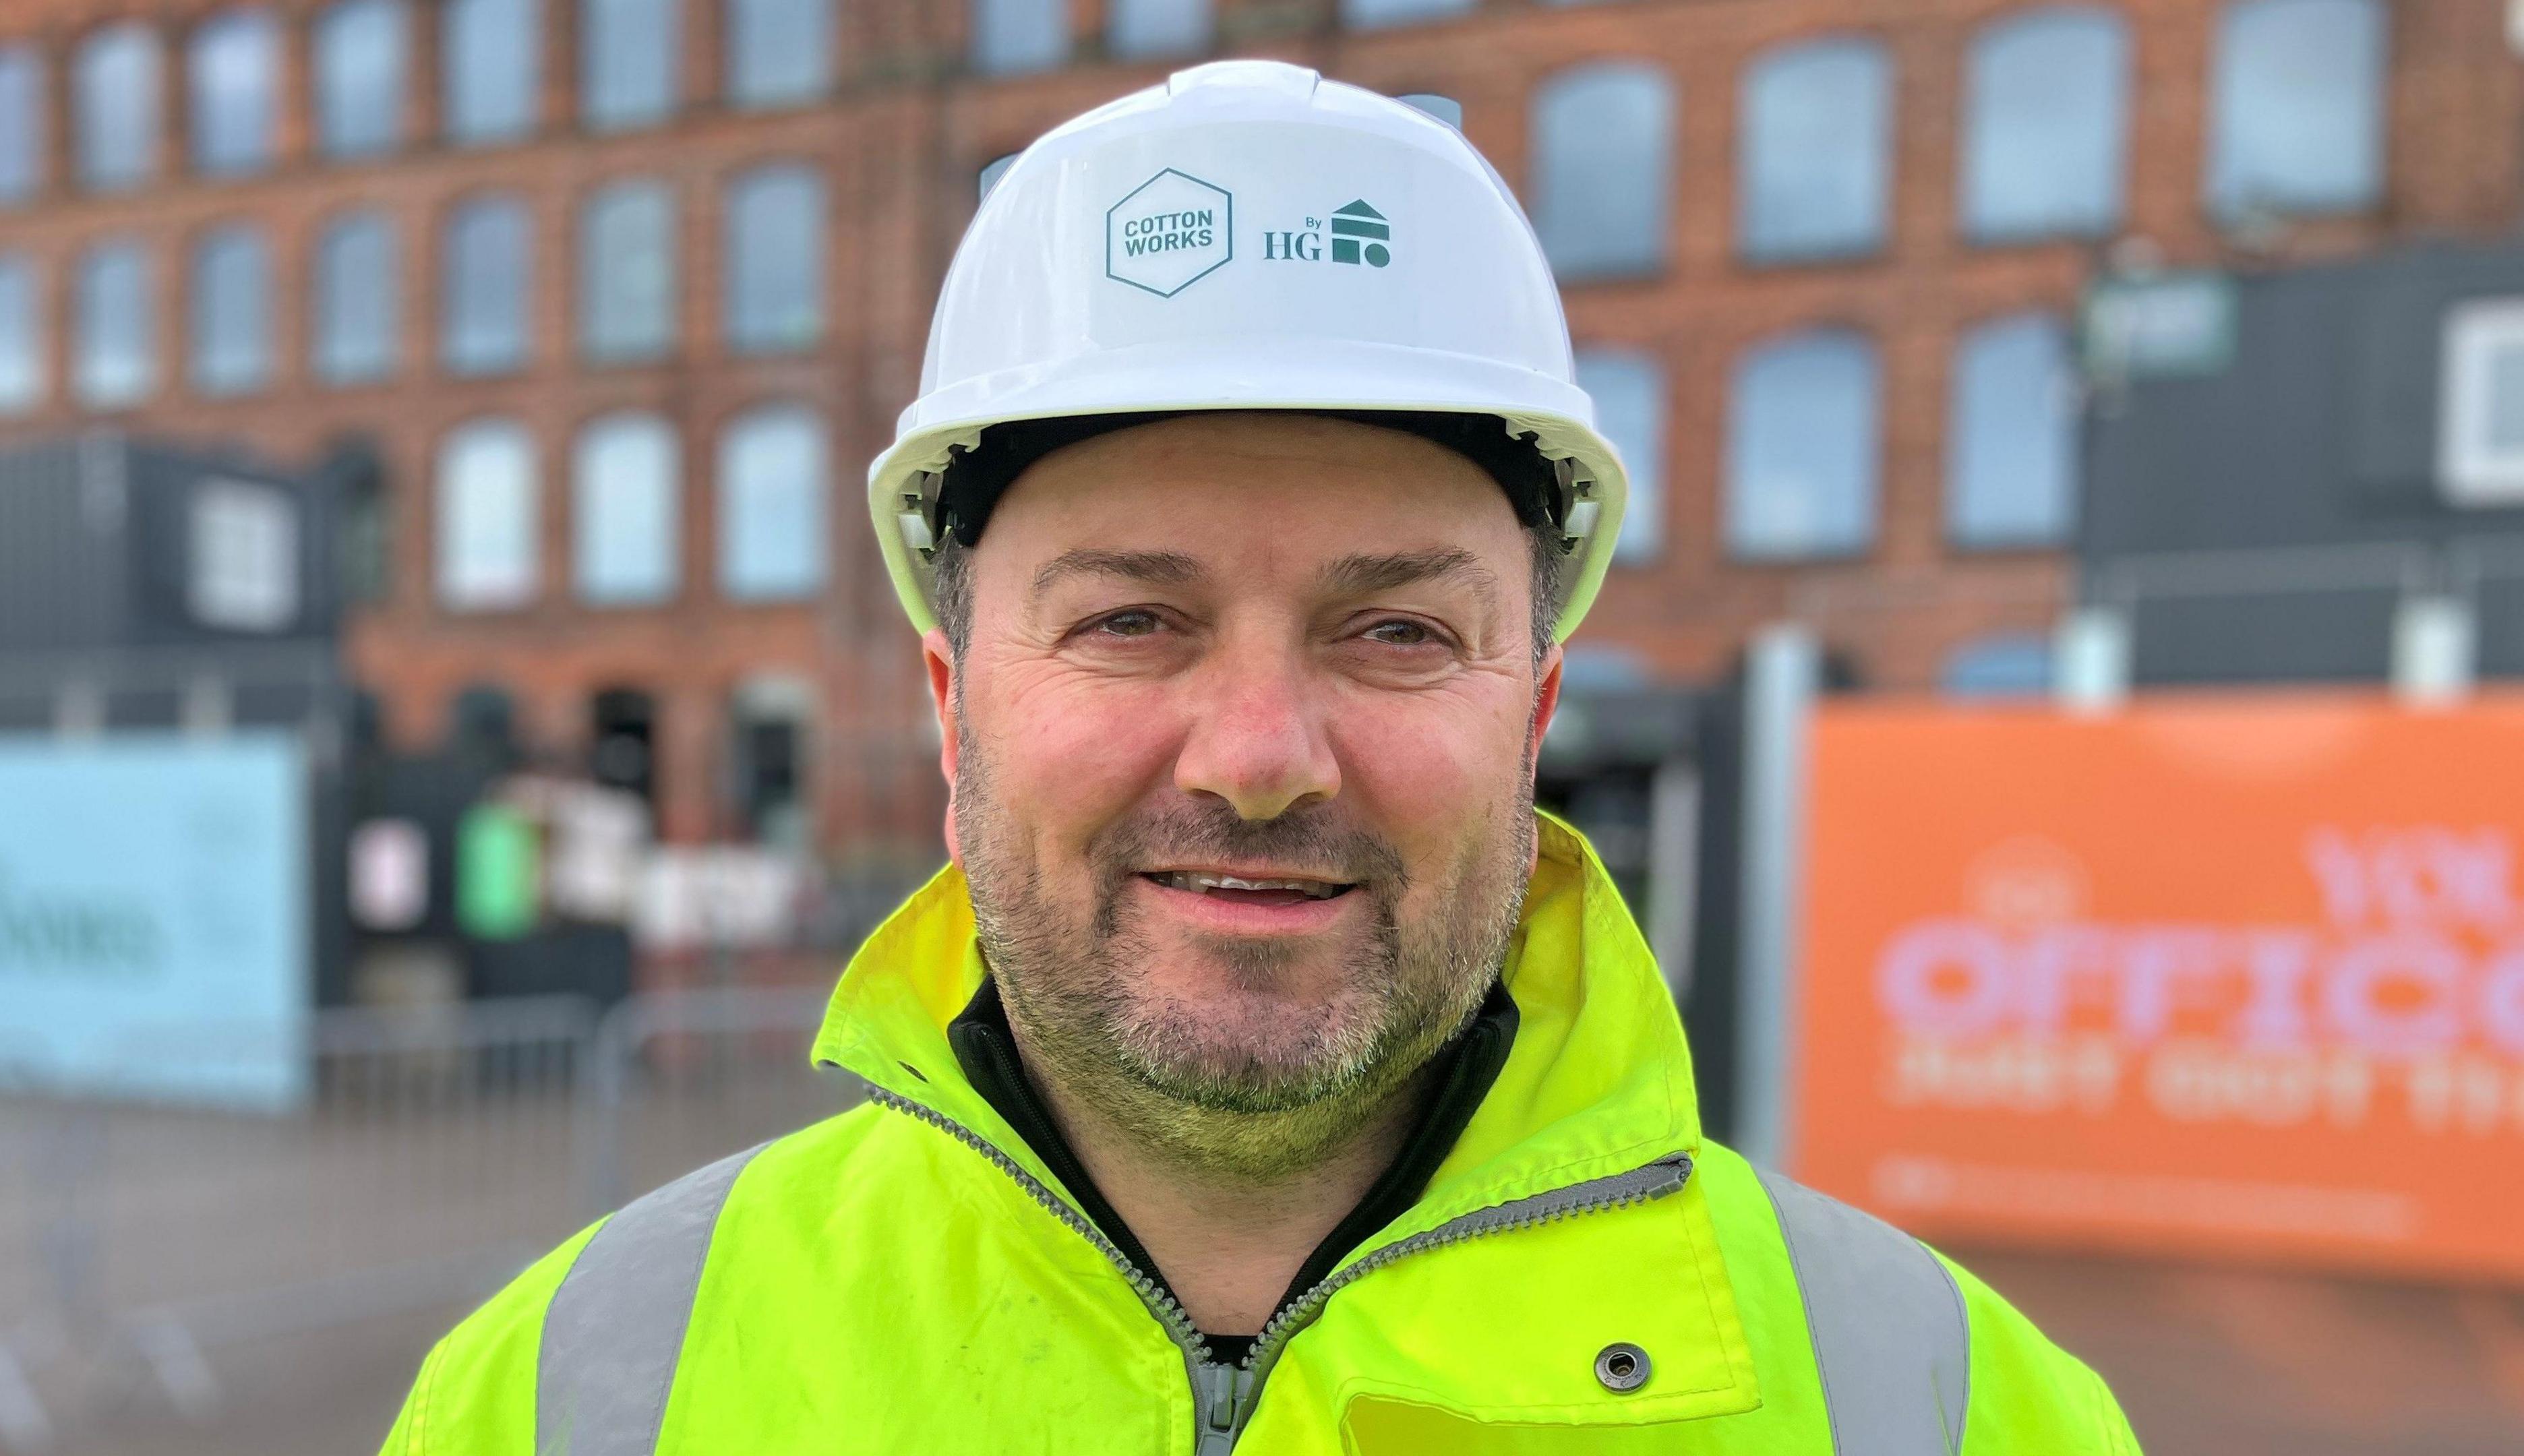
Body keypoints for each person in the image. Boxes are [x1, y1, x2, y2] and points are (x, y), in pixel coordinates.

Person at [382, 61, 2139, 1455]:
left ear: (1528, 721)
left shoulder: (1943, 1409)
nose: (1259, 758)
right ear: (952, 707)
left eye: (1395, 632)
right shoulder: (560, 1400)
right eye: (1133, 619)